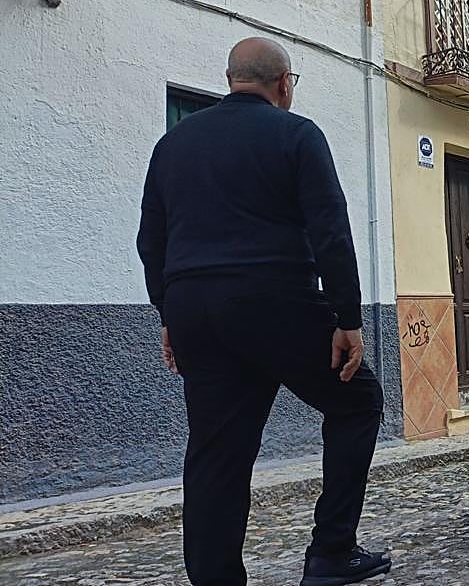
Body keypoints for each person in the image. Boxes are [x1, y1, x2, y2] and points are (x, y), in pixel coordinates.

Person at [136, 37, 391, 586]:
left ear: (231, 79)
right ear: (284, 85)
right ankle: (330, 552)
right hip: (277, 301)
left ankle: (214, 579)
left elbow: (150, 240)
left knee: (216, 451)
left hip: (195, 309)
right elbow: (330, 230)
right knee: (358, 403)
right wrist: (348, 319)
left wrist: (168, 315)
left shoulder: (173, 144)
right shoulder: (297, 134)